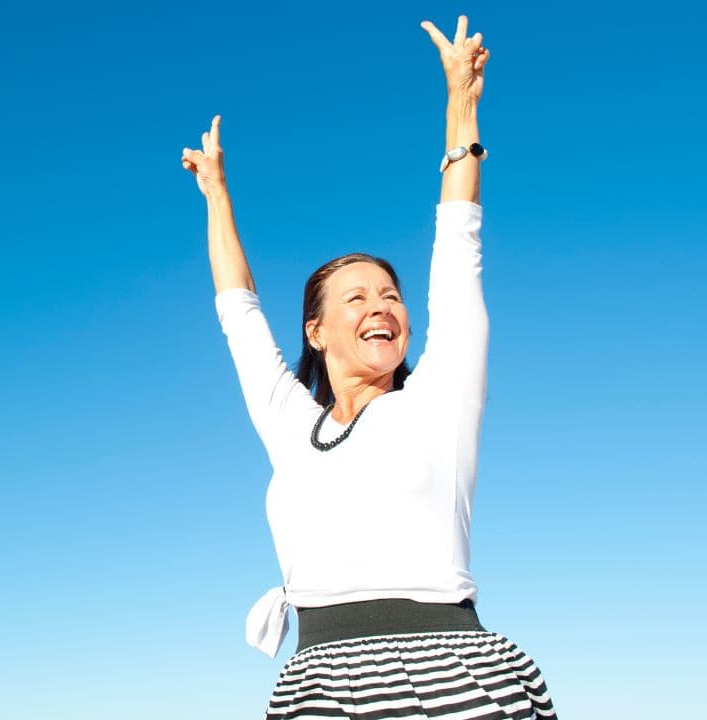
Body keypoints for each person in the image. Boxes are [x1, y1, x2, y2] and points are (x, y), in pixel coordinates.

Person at [180, 16, 559, 720]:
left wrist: (461, 105)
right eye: (357, 297)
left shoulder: (438, 400)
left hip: (447, 677)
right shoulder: (293, 426)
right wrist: (217, 196)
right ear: (316, 331)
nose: (381, 306)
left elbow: (457, 245)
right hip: (315, 685)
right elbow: (238, 312)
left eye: (391, 295)